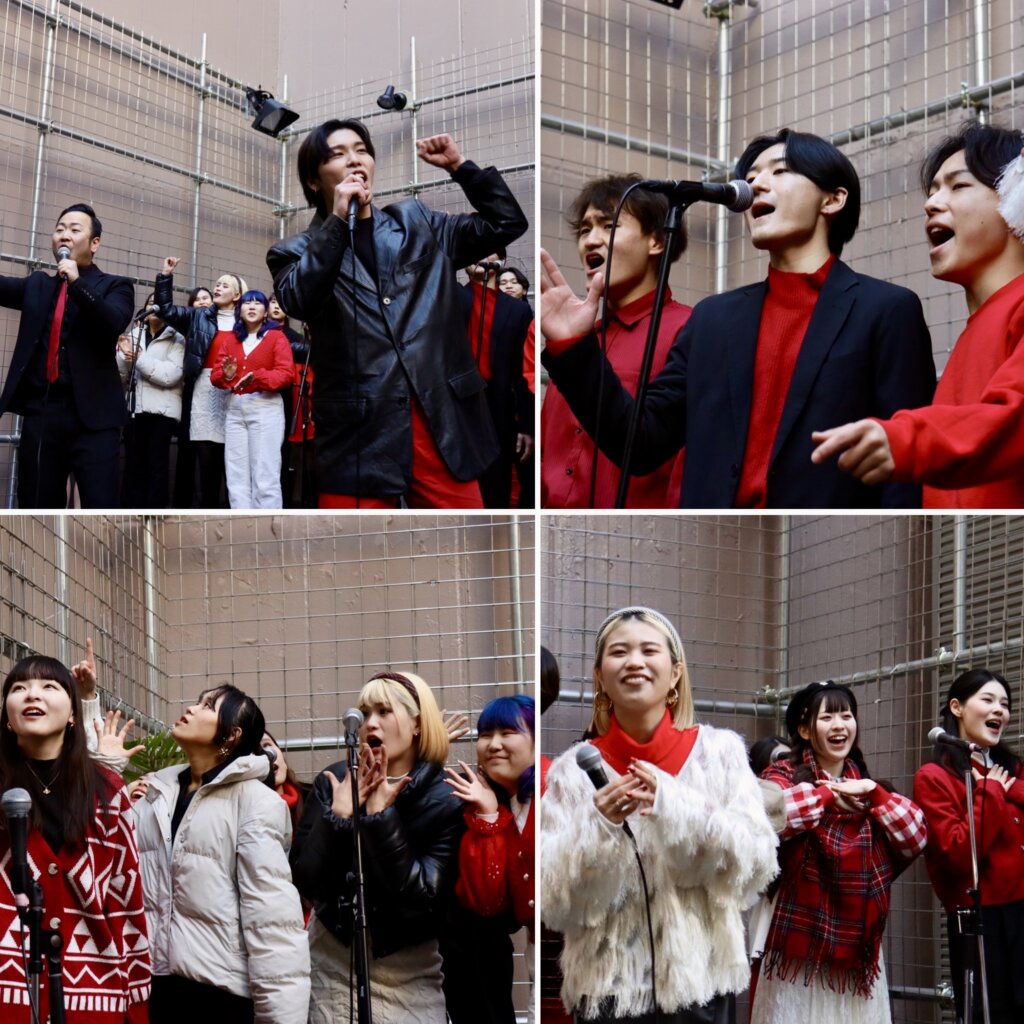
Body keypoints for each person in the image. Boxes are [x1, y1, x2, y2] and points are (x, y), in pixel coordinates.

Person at [541, 129, 938, 509]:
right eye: (750, 178)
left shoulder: (886, 310)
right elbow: (640, 442)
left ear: (832, 200)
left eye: (779, 171)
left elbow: (906, 465)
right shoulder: (713, 319)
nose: (757, 185)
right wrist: (573, 346)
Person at [267, 119, 528, 508]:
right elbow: (299, 301)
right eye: (338, 155)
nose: (354, 160)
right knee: (356, 538)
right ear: (313, 181)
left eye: (361, 150)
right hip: (359, 436)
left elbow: (506, 223)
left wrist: (461, 168)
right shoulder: (293, 251)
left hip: (439, 422)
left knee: (463, 531)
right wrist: (337, 222)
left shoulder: (417, 222)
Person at [541, 606, 778, 1022]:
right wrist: (597, 827)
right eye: (619, 652)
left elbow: (756, 866)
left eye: (649, 650)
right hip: (609, 993)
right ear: (600, 677)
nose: (634, 661)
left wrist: (679, 808)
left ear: (675, 674)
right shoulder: (570, 772)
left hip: (700, 991)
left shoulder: (719, 754)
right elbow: (553, 901)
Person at [811, 123, 1024, 508]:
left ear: (1017, 196)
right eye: (932, 191)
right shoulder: (980, 328)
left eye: (958, 186)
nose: (931, 204)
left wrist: (907, 440)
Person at [291, 670, 464, 1023]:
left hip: (408, 975)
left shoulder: (447, 798)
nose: (370, 723)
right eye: (365, 712)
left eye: (384, 711)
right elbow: (305, 881)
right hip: (331, 967)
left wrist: (381, 816)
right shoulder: (335, 783)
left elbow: (424, 905)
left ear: (418, 725)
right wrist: (338, 816)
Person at [132, 684, 310, 1023]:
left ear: (231, 735)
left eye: (208, 706)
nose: (192, 708)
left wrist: (281, 1018)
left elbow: (272, 920)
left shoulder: (255, 802)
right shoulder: (155, 796)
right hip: (151, 989)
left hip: (217, 997)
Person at [753, 680, 927, 1024]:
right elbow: (766, 818)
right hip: (799, 947)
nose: (839, 725)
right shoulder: (782, 776)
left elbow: (916, 837)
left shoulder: (866, 786)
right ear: (804, 729)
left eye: (847, 716)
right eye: (827, 717)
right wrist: (826, 796)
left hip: (856, 948)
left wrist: (875, 793)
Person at [0, 654, 151, 1021]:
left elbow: (126, 900)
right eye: (19, 688)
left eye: (49, 686)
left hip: (93, 995)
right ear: (7, 716)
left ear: (72, 714)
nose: (32, 694)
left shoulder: (107, 794)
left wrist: (136, 1003)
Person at [541, 173, 690, 509]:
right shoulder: (574, 342)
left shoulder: (690, 329)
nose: (591, 241)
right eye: (585, 230)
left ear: (657, 240)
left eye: (609, 226)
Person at [0, 203, 134, 507]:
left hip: (94, 420)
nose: (64, 235)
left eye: (74, 230)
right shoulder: (38, 285)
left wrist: (76, 283)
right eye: (59, 229)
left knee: (101, 508)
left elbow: (113, 321)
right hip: (43, 413)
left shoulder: (116, 286)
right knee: (36, 505)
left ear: (94, 243)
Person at [913, 669, 1024, 1023]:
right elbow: (959, 853)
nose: (999, 710)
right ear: (957, 708)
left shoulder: (1014, 769)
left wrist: (1010, 788)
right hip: (980, 918)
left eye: (1004, 704)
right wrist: (991, 792)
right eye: (988, 700)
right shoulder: (934, 776)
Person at [443, 694, 536, 1024]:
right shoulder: (485, 803)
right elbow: (487, 902)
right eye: (485, 735)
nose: (494, 744)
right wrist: (488, 814)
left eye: (508, 733)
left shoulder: (551, 792)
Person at [155, 258, 246, 508]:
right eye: (217, 284)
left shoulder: (247, 322)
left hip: (238, 391)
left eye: (225, 286)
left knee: (235, 462)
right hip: (205, 389)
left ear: (237, 295)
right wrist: (165, 276)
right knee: (208, 462)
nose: (217, 288)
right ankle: (209, 509)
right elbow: (165, 310)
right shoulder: (198, 316)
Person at [461, 252, 534, 508]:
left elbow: (524, 369)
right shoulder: (451, 298)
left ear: (500, 259)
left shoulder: (517, 310)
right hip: (458, 409)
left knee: (496, 487)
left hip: (499, 409)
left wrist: (527, 425)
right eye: (472, 247)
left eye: (487, 247)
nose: (478, 252)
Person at [210, 289, 294, 508]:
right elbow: (216, 375)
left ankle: (267, 522)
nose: (252, 306)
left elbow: (286, 374)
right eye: (247, 303)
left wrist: (257, 377)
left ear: (266, 312)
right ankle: (242, 521)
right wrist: (227, 375)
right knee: (236, 476)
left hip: (265, 406)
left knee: (265, 475)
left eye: (258, 303)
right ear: (239, 310)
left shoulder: (276, 337)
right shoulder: (231, 340)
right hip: (235, 407)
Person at [116, 291, 185, 507]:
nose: (153, 306)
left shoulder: (178, 337)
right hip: (135, 409)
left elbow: (170, 375)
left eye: (159, 303)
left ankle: (155, 512)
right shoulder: (135, 334)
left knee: (157, 466)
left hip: (162, 412)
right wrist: (122, 355)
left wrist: (139, 358)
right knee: (133, 465)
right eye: (150, 302)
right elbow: (121, 375)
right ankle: (132, 510)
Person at [268, 293, 316, 506]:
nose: (276, 306)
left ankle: (291, 501)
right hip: (266, 398)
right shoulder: (259, 335)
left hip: (292, 399)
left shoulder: (295, 338)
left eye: (280, 303)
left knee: (292, 455)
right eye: (273, 302)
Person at [172, 285, 214, 507]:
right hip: (191, 387)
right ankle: (182, 503)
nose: (202, 302)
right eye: (197, 299)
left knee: (210, 452)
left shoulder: (220, 325)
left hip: (214, 388)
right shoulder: (187, 324)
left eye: (206, 298)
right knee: (186, 449)